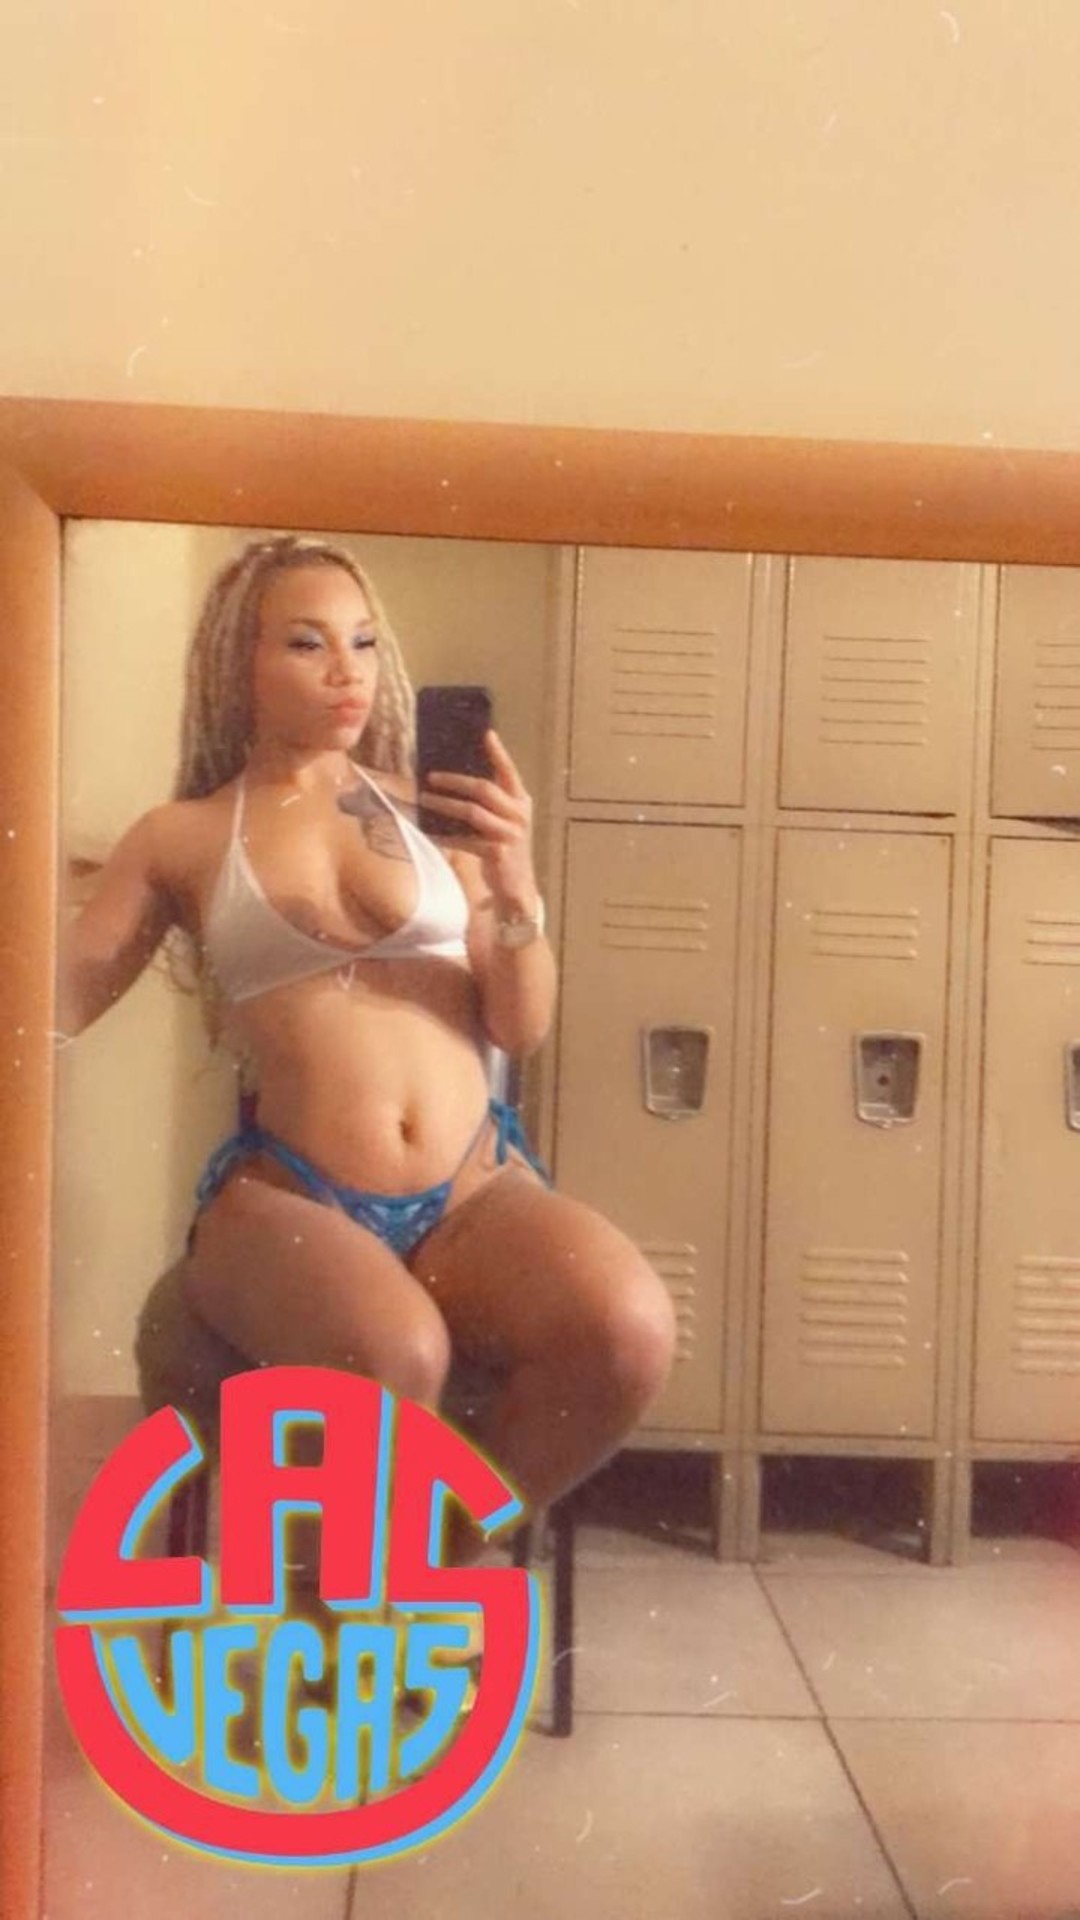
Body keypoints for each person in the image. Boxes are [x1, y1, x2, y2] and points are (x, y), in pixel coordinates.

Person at [61, 533, 676, 1562]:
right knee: (398, 1354)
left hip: (474, 1193)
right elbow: (52, 1005)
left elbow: (519, 1024)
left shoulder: (438, 813)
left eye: (363, 642)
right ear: (239, 663)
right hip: (293, 1199)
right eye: (308, 643)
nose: (348, 671)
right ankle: (350, 1604)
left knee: (630, 1332)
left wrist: (516, 885)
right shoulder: (184, 835)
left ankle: (419, 1567)